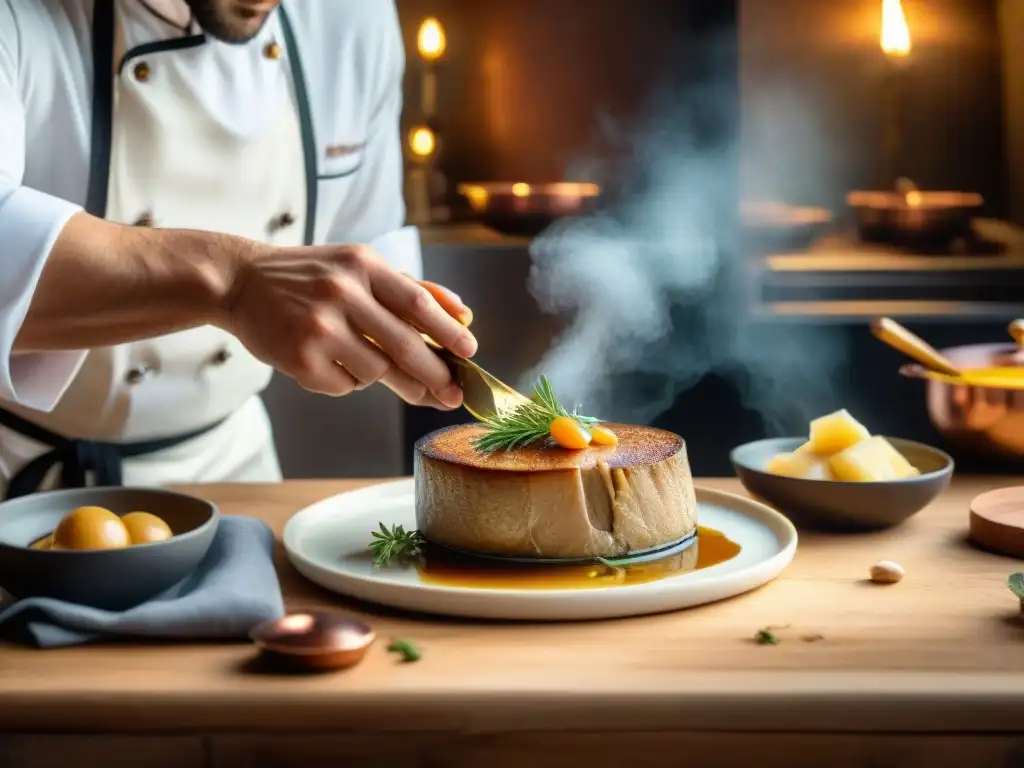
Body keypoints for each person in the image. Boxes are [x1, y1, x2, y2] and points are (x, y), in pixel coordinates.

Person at [0, 0, 477, 498]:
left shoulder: (353, 17)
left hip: (235, 472)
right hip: (22, 477)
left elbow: (367, 244)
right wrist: (233, 282)